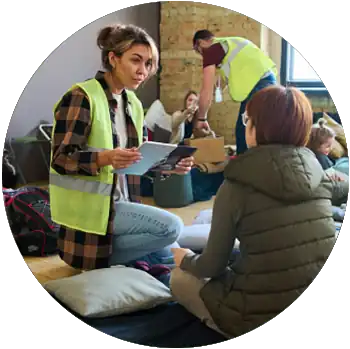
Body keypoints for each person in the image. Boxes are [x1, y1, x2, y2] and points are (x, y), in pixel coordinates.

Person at [170, 85, 348, 338]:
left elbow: (211, 266)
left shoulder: (236, 184)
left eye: (247, 120)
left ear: (254, 128)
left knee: (178, 278)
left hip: (257, 317)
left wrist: (185, 258)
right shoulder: (320, 174)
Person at [49, 24, 194, 271]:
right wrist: (104, 158)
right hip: (91, 214)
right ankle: (99, 261)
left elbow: (137, 161)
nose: (143, 71)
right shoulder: (82, 97)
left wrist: (169, 166)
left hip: (121, 205)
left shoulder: (133, 103)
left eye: (148, 64)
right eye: (136, 61)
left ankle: (131, 260)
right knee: (172, 228)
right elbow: (61, 158)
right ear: (113, 59)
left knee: (169, 257)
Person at [192, 29, 277, 155]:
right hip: (269, 83)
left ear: (200, 43)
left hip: (258, 87)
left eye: (198, 51)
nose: (202, 55)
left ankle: (241, 170)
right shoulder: (231, 43)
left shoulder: (211, 50)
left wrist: (201, 118)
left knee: (243, 132)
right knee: (260, 133)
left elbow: (206, 90)